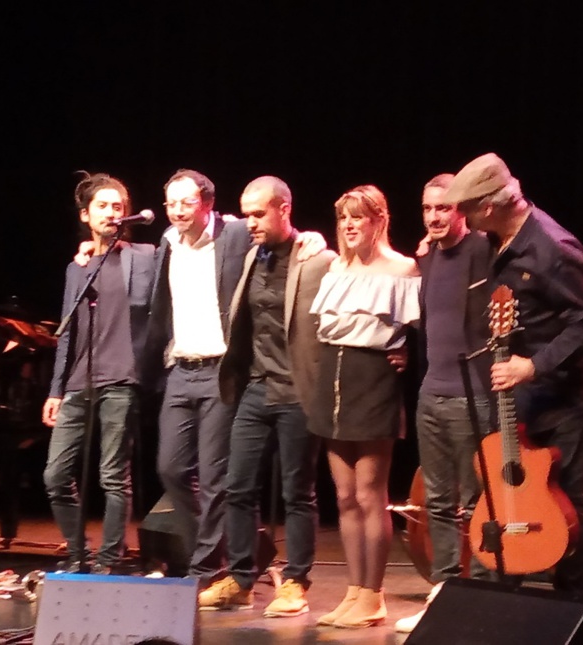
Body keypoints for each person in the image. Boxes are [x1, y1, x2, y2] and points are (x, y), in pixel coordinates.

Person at [145, 169, 326, 587]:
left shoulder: (234, 235)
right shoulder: (167, 242)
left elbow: (288, 235)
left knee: (219, 479)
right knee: (171, 469)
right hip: (182, 368)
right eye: (170, 203)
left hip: (222, 370)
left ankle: (208, 569)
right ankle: (218, 555)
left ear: (207, 203)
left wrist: (312, 237)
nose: (176, 212)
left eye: (186, 202)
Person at [443, 152, 583, 593]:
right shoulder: (495, 240)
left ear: (489, 208)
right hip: (515, 391)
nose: (464, 219)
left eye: (468, 211)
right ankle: (508, 605)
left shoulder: (554, 250)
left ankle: (571, 610)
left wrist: (533, 365)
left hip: (565, 397)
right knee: (504, 497)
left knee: (568, 505)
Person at [198, 176, 335, 616]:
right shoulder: (250, 255)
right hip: (256, 389)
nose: (250, 223)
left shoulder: (315, 257)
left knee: (298, 491)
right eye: (246, 214)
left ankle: (295, 581)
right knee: (237, 486)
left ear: (284, 209)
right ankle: (240, 579)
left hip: (297, 392)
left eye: (259, 214)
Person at [309, 185, 420, 628]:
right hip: (332, 380)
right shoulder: (336, 266)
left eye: (359, 217)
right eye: (343, 219)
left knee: (371, 493)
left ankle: (374, 594)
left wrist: (407, 353)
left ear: (380, 220)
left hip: (371, 379)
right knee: (344, 495)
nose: (350, 226)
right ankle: (355, 590)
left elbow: (419, 333)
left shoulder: (403, 268)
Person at [395, 174, 494, 633]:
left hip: (474, 398)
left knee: (480, 503)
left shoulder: (483, 249)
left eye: (443, 208)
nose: (434, 217)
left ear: (462, 211)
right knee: (436, 500)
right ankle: (444, 590)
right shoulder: (428, 256)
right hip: (431, 394)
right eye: (427, 209)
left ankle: (486, 595)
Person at [42, 172, 156, 573]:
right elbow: (67, 330)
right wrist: (55, 389)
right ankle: (77, 554)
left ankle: (110, 560)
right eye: (104, 206)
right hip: (77, 382)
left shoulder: (143, 256)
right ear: (86, 215)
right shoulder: (78, 266)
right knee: (55, 475)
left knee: (113, 477)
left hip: (121, 380)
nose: (112, 213)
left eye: (118, 207)